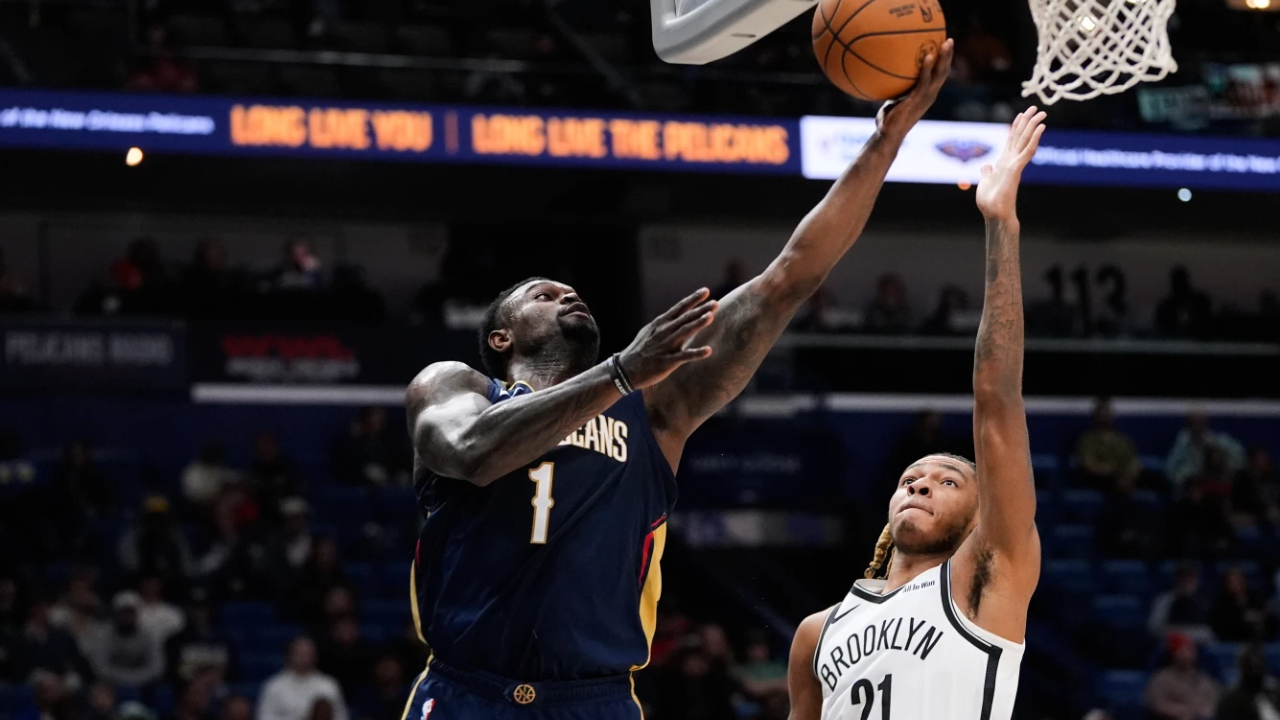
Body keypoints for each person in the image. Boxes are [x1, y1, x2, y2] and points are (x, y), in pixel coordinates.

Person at [402, 42, 952, 720]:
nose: (567, 294)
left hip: (595, 699)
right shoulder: (457, 387)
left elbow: (788, 279)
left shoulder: (653, 409)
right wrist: (620, 371)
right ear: (500, 338)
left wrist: (885, 142)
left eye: (572, 292)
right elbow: (473, 452)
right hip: (467, 691)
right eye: (543, 294)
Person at [787, 106, 1046, 720]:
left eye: (947, 481)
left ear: (982, 512)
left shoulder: (985, 577)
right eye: (911, 479)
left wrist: (1001, 225)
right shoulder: (816, 632)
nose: (920, 484)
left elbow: (996, 397)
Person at [81, 591, 165, 689]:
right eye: (123, 612)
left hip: (144, 684)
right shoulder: (103, 634)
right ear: (116, 613)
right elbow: (100, 667)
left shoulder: (148, 634)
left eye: (131, 612)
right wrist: (126, 680)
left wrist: (134, 680)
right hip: (112, 684)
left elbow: (157, 667)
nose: (127, 616)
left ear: (137, 613)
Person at [257, 637, 348, 720]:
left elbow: (341, 716)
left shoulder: (328, 685)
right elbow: (264, 716)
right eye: (299, 654)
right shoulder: (274, 686)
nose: (304, 658)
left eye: (307, 654)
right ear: (289, 656)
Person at [1144, 633, 1219, 720]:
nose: (1188, 652)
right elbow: (1156, 704)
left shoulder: (1204, 679)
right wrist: (1181, 711)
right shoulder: (1162, 679)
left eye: (1189, 649)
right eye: (1183, 649)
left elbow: (1216, 702)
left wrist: (1207, 710)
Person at [1074, 397, 1141, 492]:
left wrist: (1130, 472)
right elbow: (1089, 465)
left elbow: (1132, 460)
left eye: (1107, 414)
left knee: (1152, 478)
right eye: (1101, 414)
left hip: (1123, 476)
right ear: (1095, 416)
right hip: (1100, 478)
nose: (1104, 417)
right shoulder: (1087, 440)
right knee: (1118, 483)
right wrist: (1112, 471)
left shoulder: (1121, 439)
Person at [1166, 411, 1247, 488]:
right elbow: (1170, 472)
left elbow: (1240, 461)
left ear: (1206, 422)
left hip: (1222, 482)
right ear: (1188, 424)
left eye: (1200, 421)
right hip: (1193, 486)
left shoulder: (1221, 441)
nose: (1197, 426)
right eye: (1194, 422)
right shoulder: (1182, 443)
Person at [1148, 562, 1214, 644]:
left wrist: (1188, 635)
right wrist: (1179, 636)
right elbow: (1154, 628)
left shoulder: (1204, 602)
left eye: (1190, 578)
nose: (1186, 581)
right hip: (1171, 644)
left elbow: (1212, 631)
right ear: (1176, 580)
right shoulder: (1164, 600)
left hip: (1201, 645)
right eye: (1183, 577)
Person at [1210, 567, 1277, 642]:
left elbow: (1266, 614)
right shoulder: (1221, 602)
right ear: (1226, 583)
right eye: (1233, 581)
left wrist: (1259, 616)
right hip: (1231, 640)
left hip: (1259, 638)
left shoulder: (1255, 598)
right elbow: (1222, 624)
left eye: (1240, 580)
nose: (1237, 584)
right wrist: (1244, 617)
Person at [1216, 644, 1280, 720]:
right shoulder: (1230, 699)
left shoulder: (1274, 691)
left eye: (1258, 662)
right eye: (1250, 663)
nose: (1255, 665)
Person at [1155, 266, 1213, 339]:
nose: (1179, 285)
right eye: (1177, 282)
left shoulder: (1201, 301)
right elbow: (1161, 329)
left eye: (1181, 281)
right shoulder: (1165, 307)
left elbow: (1207, 325)